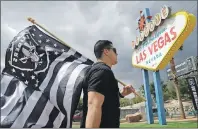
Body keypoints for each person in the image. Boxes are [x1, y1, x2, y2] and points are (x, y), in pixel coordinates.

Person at [80, 40, 135, 128]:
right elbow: (93, 105)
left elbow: (105, 101)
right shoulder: (102, 71)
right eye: (114, 50)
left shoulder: (100, 71)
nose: (117, 54)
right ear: (106, 51)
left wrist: (121, 94)